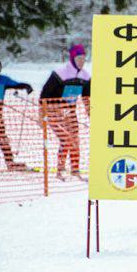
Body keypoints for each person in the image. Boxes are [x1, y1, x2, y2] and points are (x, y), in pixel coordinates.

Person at [40, 44, 92, 178]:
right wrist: (42, 114)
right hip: (54, 110)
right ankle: (60, 169)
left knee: (75, 139)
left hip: (70, 112)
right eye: (78, 58)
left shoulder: (85, 76)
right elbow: (44, 94)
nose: (81, 61)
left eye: (83, 58)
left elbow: (86, 98)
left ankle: (75, 170)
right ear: (72, 58)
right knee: (66, 138)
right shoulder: (60, 73)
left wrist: (90, 113)